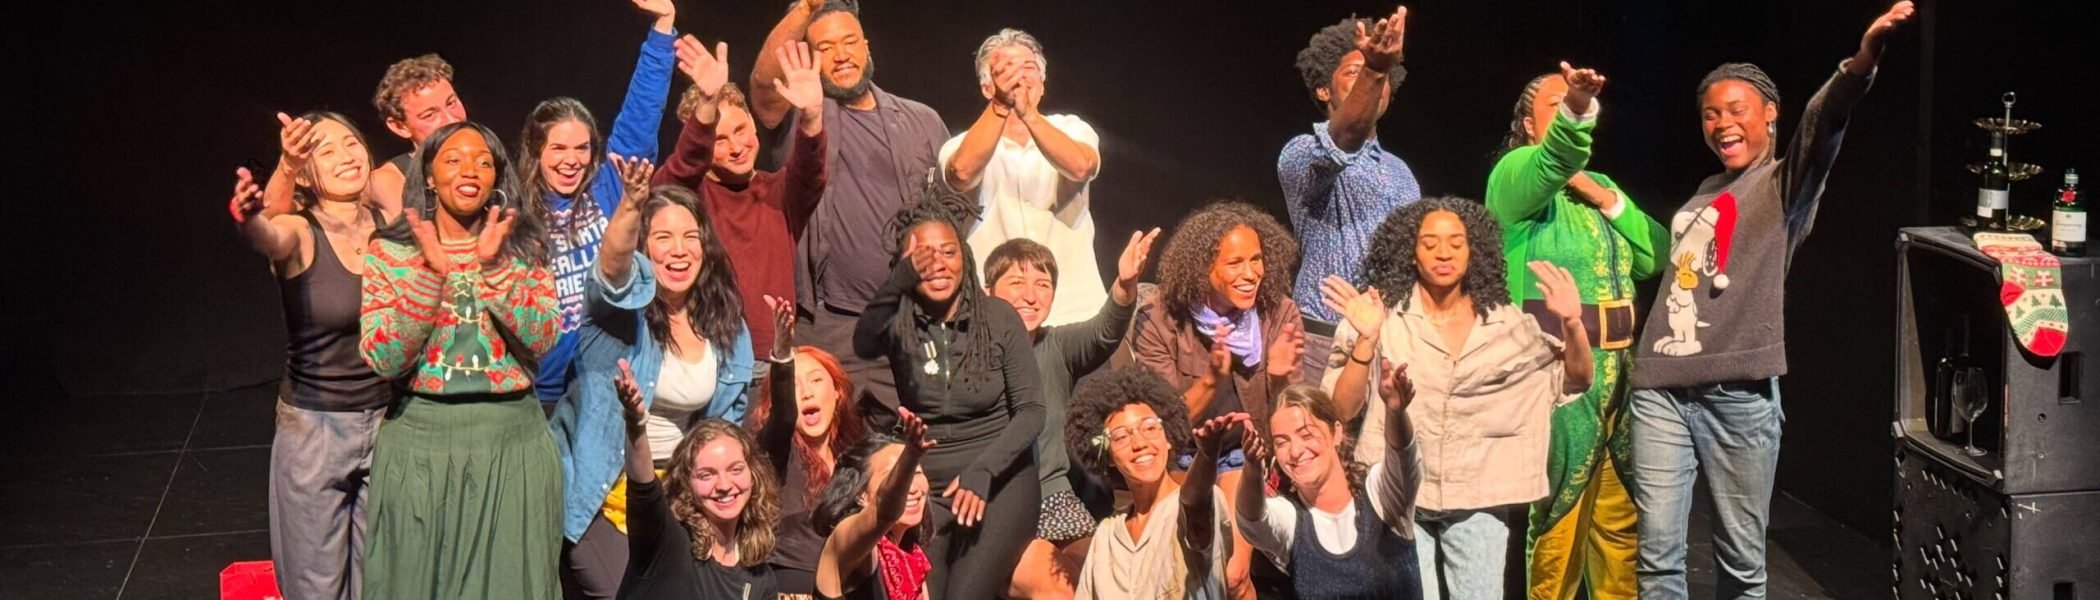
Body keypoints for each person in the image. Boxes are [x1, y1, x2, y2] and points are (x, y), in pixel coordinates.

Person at [1627, 3, 1914, 597]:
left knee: (1739, 562)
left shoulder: (1785, 184)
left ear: (1769, 115)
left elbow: (1824, 119)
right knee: (1656, 557)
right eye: (1710, 114)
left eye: (1735, 110)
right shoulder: (1708, 188)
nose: (1721, 123)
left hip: (1738, 394)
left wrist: (1862, 62)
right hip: (1660, 387)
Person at [1320, 197, 1593, 599]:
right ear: (1411, 253)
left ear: (1472, 251)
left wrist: (1572, 322)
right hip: (1402, 494)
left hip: (1478, 496)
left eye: (1455, 243)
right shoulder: (1380, 316)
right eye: (1429, 243)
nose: (1443, 253)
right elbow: (1340, 410)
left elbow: (1575, 379)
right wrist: (1367, 340)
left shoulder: (1507, 323)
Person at [1484, 62, 1667, 600]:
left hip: (1621, 374)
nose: (1570, 109)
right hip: (1557, 377)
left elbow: (1655, 255)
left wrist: (1604, 195)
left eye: (1577, 103)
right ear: (1528, 123)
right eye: (1557, 105)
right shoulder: (1514, 179)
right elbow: (1556, 159)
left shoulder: (1599, 187)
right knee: (1559, 517)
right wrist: (1578, 114)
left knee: (1619, 520)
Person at [356, 121, 561, 599]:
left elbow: (543, 336)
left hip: (511, 445)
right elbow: (384, 357)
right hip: (421, 445)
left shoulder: (523, 246)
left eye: (483, 161)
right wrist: (430, 274)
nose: (469, 170)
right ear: (428, 176)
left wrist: (494, 268)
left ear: (497, 178)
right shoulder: (391, 251)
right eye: (453, 159)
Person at [548, 170, 757, 597]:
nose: (678, 250)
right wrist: (631, 203)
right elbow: (610, 272)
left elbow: (725, 426)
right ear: (642, 249)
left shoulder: (725, 325)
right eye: (662, 237)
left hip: (676, 494)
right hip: (601, 493)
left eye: (690, 236)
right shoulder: (616, 316)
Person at [751, 0, 949, 423]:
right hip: (831, 325)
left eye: (849, 42)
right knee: (827, 453)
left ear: (867, 46)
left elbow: (951, 216)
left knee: (923, 448)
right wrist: (806, 6)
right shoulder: (803, 117)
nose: (841, 55)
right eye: (824, 48)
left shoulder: (922, 121)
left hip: (914, 320)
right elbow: (766, 88)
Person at [227, 111, 392, 600]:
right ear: (306, 172)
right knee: (315, 586)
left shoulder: (392, 225)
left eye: (351, 143)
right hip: (317, 429)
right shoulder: (300, 231)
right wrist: (251, 214)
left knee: (380, 579)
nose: (345, 156)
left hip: (388, 422)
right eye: (326, 151)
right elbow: (267, 238)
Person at [853, 181, 1045, 599]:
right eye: (921, 256)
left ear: (965, 256)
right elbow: (863, 340)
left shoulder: (997, 318)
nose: (937, 265)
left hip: (1000, 479)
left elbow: (1032, 411)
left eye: (948, 252)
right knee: (922, 592)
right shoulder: (899, 323)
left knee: (966, 594)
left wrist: (984, 470)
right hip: (931, 489)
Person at [1134, 200, 1304, 599]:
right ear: (1201, 267)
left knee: (1233, 574)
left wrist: (1279, 381)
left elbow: (1290, 420)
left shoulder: (1278, 313)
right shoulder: (1160, 319)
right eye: (1234, 263)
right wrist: (1211, 379)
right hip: (1185, 455)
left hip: (1246, 455)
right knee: (1185, 567)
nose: (1251, 274)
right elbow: (1166, 425)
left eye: (1256, 260)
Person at [516, 0, 680, 405]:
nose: (571, 160)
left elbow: (641, 115)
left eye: (582, 148)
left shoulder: (607, 188)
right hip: (539, 391)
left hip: (605, 382)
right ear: (536, 151)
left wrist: (663, 28)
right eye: (558, 148)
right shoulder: (516, 210)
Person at [983, 229, 1157, 598]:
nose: (1031, 296)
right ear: (988, 292)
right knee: (1061, 589)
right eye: (1016, 282)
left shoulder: (1056, 346)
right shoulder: (969, 357)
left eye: (1042, 284)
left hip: (1057, 500)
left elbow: (1105, 332)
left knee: (1117, 580)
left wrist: (1126, 284)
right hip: (999, 510)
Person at [652, 37, 830, 358]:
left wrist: (812, 118)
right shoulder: (689, 198)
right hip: (708, 358)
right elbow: (677, 176)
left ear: (753, 125)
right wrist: (707, 104)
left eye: (740, 130)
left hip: (772, 357)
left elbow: (810, 171)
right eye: (719, 139)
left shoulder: (780, 193)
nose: (736, 147)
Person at [1280, 5, 1422, 383]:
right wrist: (1374, 68)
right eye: (1354, 74)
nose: (1375, 84)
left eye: (1382, 76)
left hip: (1390, 341)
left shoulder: (1402, 172)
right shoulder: (1301, 153)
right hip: (1320, 340)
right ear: (1324, 89)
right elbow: (1342, 140)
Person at [941, 29, 1106, 329]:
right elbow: (961, 173)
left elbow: (1081, 166)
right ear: (987, 87)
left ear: (1042, 84)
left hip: (1075, 311)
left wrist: (1028, 115)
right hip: (992, 317)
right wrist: (1003, 107)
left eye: (1028, 68)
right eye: (1005, 70)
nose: (1019, 78)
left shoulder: (1072, 128)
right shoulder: (961, 144)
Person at [610, 362, 781, 599]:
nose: (723, 485)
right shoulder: (668, 542)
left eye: (735, 469)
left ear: (754, 476)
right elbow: (643, 489)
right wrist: (636, 424)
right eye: (707, 475)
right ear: (686, 484)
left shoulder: (759, 578)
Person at [1235, 383, 1423, 599]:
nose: (1295, 451)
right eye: (1282, 442)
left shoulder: (1378, 494)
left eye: (1306, 435)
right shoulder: (1291, 519)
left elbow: (1404, 458)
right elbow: (1252, 521)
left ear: (1336, 433)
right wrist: (1252, 467)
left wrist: (1396, 412)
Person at [1063, 366, 1236, 599]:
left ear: (1169, 438)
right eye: (1122, 437)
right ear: (1109, 457)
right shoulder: (1106, 536)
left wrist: (1206, 455)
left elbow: (1195, 504)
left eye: (1150, 428)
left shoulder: (1198, 504)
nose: (1140, 443)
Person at [751, 296, 872, 599]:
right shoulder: (775, 453)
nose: (805, 392)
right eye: (793, 384)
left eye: (816, 380)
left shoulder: (856, 452)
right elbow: (784, 415)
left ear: (837, 391)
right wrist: (781, 354)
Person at [811, 410, 938, 600]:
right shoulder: (846, 540)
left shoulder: (913, 558)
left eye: (916, 473)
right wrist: (910, 456)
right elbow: (883, 511)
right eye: (893, 475)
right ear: (861, 495)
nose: (911, 487)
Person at [365, 54, 468, 216]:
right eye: (430, 115)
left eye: (451, 103)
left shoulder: (491, 160)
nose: (451, 120)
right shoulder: (386, 183)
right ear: (399, 127)